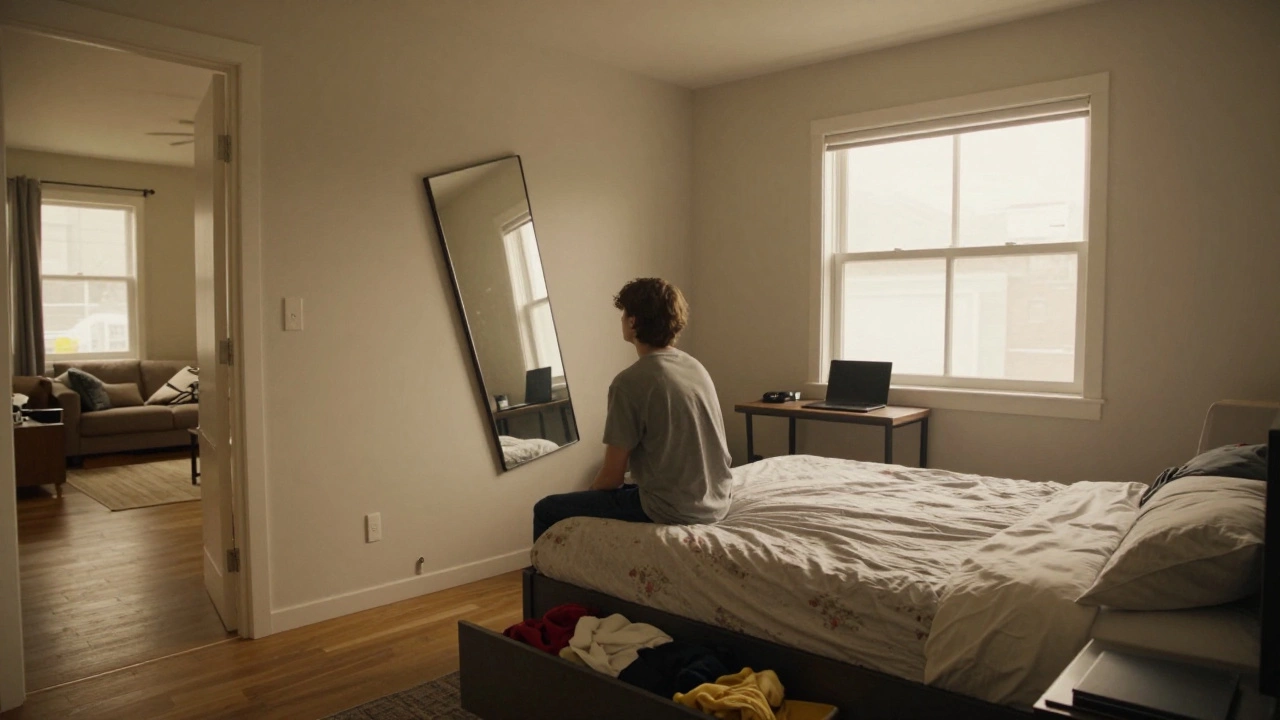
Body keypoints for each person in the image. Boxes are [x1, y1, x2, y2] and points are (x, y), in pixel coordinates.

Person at [532, 278, 734, 542]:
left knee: (546, 509)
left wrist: (589, 496)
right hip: (717, 499)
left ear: (633, 321)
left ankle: (548, 579)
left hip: (673, 508)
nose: (622, 319)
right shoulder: (694, 366)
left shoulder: (629, 382)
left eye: (624, 313)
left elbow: (612, 477)